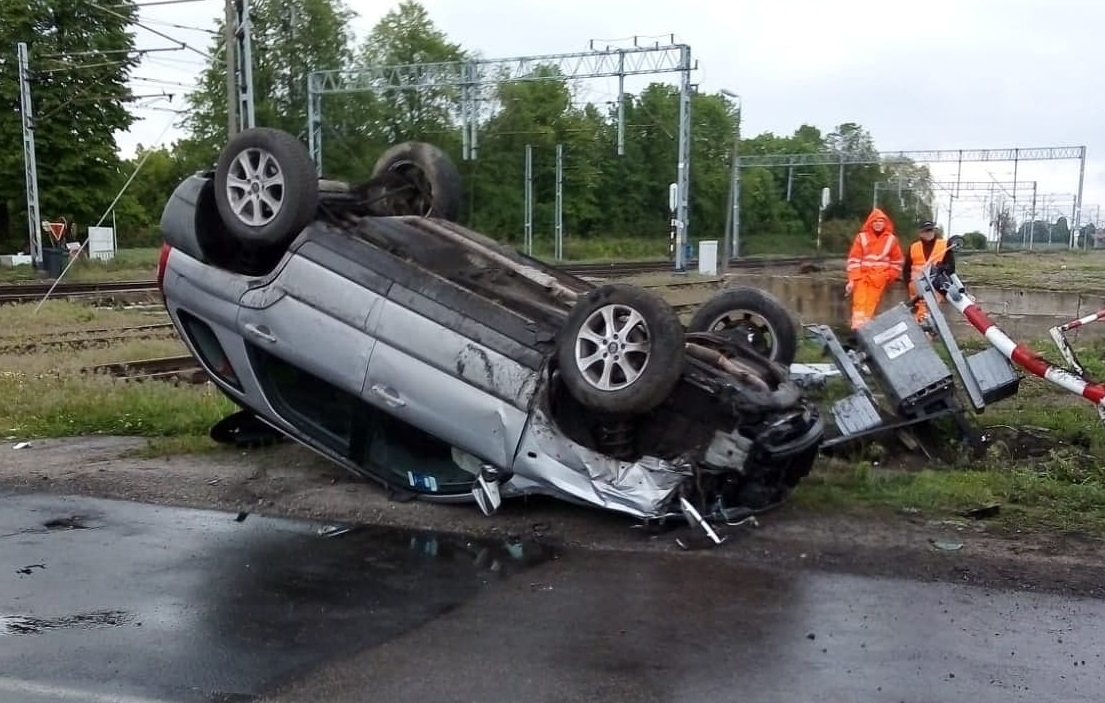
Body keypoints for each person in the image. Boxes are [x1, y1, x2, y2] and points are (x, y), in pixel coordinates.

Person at [845, 207, 904, 330]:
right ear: (870, 222)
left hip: (879, 278)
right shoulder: (861, 237)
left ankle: (864, 330)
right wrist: (852, 279)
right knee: (859, 305)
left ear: (885, 223)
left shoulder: (891, 239)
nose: (878, 224)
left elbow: (897, 261)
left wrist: (889, 276)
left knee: (870, 305)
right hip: (862, 276)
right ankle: (858, 329)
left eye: (881, 221)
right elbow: (854, 259)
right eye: (875, 221)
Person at [902, 220, 955, 325]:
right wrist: (908, 283)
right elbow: (906, 269)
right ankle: (923, 332)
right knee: (920, 312)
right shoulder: (914, 247)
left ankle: (923, 333)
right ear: (920, 233)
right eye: (926, 231)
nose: (929, 233)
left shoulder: (945, 245)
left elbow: (951, 267)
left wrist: (941, 268)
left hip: (935, 286)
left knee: (927, 312)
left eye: (930, 230)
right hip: (916, 287)